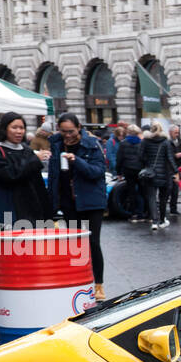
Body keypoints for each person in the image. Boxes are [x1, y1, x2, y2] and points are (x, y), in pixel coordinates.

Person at [47, 113, 109, 300]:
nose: (67, 135)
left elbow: (97, 172)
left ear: (79, 127)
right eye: (63, 131)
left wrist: (77, 160)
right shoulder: (56, 144)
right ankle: (79, 282)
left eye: (71, 131)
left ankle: (98, 284)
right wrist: (52, 200)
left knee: (92, 242)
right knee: (75, 244)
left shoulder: (92, 144)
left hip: (91, 201)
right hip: (68, 201)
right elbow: (53, 175)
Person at [0, 111, 52, 229]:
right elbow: (8, 175)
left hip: (30, 208)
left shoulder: (26, 149)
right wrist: (35, 160)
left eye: (22, 128)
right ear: (5, 129)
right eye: (14, 127)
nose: (19, 131)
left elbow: (37, 183)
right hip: (9, 207)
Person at [139, 121, 175, 230]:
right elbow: (170, 158)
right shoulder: (166, 142)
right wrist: (176, 171)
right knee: (163, 198)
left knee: (151, 198)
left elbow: (140, 156)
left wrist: (147, 164)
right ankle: (162, 220)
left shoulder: (145, 141)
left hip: (150, 173)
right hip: (164, 173)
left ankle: (154, 222)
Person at [116, 124, 146, 220]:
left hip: (128, 170)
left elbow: (119, 159)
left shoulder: (123, 143)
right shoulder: (142, 143)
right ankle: (141, 213)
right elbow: (144, 158)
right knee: (142, 191)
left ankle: (133, 213)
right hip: (140, 169)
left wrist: (119, 172)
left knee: (131, 191)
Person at [167, 125, 181, 215]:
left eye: (178, 132)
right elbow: (168, 155)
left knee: (175, 190)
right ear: (170, 132)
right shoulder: (167, 142)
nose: (177, 134)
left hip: (178, 168)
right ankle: (165, 209)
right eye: (175, 132)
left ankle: (173, 209)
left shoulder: (180, 141)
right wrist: (175, 155)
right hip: (170, 169)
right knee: (168, 189)